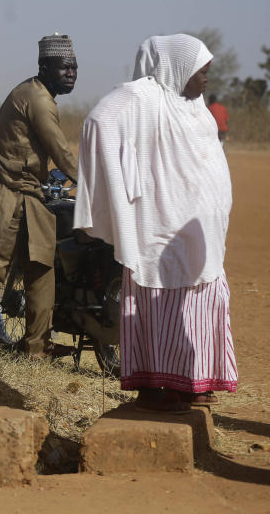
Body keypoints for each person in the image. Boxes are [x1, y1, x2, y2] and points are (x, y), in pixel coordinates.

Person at [74, 34, 236, 411]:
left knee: (203, 300)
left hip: (199, 231)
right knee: (154, 304)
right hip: (159, 226)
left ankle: (193, 384)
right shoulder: (144, 96)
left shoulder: (196, 108)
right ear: (176, 67)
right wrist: (121, 182)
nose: (205, 79)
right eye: (200, 71)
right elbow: (100, 120)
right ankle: (153, 385)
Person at [0, 34, 78, 359]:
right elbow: (62, 153)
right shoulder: (36, 99)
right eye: (64, 67)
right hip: (6, 189)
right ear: (45, 67)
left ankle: (37, 348)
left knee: (41, 268)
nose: (71, 73)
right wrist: (96, 185)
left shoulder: (41, 95)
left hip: (31, 192)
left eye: (74, 67)